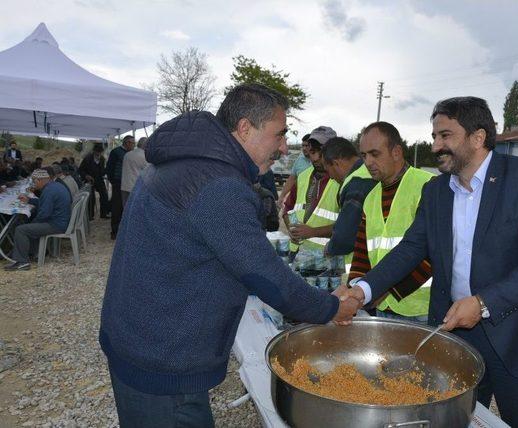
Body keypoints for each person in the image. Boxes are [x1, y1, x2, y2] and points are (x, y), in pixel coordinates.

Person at [99, 83, 360, 427]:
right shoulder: (217, 184)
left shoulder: (188, 163)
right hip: (162, 359)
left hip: (142, 338)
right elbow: (263, 272)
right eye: (279, 135)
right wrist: (330, 306)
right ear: (244, 128)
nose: (284, 148)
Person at [339, 97, 518, 427]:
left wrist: (484, 303)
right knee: (456, 420)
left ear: (478, 137)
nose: (436, 146)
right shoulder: (437, 190)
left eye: (446, 136)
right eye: (434, 136)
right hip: (458, 332)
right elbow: (411, 249)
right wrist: (362, 290)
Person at [348, 122, 435, 322]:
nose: (368, 162)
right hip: (381, 306)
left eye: (375, 154)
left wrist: (386, 288)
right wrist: (355, 286)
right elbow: (362, 252)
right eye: (364, 155)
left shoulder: (428, 186)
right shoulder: (370, 197)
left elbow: (436, 249)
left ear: (396, 152)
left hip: (421, 309)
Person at [285, 126, 340, 253]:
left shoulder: (340, 179)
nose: (314, 158)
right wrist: (291, 229)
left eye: (319, 152)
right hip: (297, 253)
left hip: (326, 258)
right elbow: (288, 209)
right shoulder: (303, 176)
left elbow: (348, 226)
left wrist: (313, 232)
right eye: (312, 151)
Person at [319, 137, 376, 262]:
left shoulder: (356, 184)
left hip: (361, 264)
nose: (331, 178)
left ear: (336, 163)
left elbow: (344, 237)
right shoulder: (369, 173)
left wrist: (330, 248)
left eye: (328, 170)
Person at [4, 169, 71, 271]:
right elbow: (45, 204)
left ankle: (22, 262)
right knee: (28, 226)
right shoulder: (54, 186)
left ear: (39, 180)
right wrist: (30, 200)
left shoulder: (48, 191)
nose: (34, 185)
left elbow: (44, 214)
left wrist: (32, 224)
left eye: (34, 182)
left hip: (56, 224)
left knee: (21, 229)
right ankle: (37, 251)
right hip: (61, 220)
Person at [106, 135, 135, 239]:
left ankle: (124, 231)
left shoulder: (131, 153)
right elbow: (109, 168)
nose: (133, 145)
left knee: (126, 207)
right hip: (118, 183)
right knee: (117, 207)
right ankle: (114, 232)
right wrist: (113, 181)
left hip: (128, 183)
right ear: (126, 143)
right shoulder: (116, 152)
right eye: (132, 143)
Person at [277, 133, 312, 208]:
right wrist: (282, 196)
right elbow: (291, 179)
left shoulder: (321, 162)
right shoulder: (299, 161)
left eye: (307, 145)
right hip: (300, 203)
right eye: (303, 145)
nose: (304, 148)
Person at [79, 144, 109, 220]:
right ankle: (90, 215)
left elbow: (102, 170)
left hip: (99, 179)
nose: (98, 154)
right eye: (97, 152)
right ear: (94, 151)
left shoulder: (102, 159)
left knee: (104, 195)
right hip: (89, 180)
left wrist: (105, 171)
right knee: (91, 198)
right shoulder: (87, 158)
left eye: (100, 152)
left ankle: (104, 213)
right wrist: (86, 176)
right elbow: (80, 170)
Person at [120, 137, 149, 207]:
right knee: (134, 211)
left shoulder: (127, 154)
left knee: (126, 210)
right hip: (135, 188)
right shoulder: (144, 156)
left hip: (124, 187)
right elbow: (149, 173)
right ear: (146, 145)